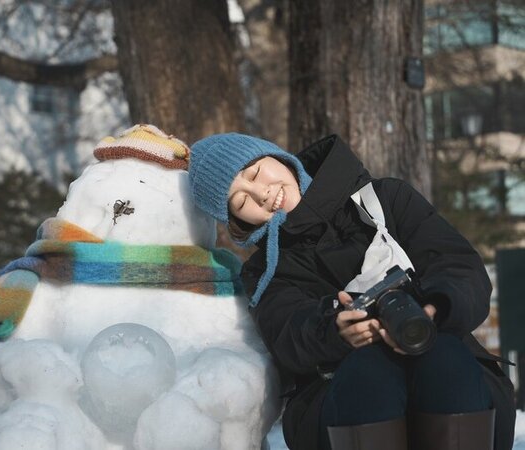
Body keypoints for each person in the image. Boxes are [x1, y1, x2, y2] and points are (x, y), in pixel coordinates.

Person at [188, 133, 515, 450]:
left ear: (276, 156)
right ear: (236, 221)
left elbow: (458, 266)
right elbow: (287, 333)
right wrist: (335, 329)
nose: (262, 193)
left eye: (256, 172)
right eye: (242, 200)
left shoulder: (385, 200)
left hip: (451, 374)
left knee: (444, 355)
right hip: (340, 400)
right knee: (368, 371)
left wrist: (435, 307)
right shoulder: (263, 271)